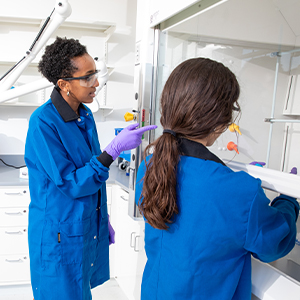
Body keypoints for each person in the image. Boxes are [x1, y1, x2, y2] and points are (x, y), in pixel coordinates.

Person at [135, 57, 299, 300]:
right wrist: (288, 200)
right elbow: (273, 243)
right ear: (220, 121)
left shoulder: (150, 165)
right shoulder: (239, 191)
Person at [24, 36, 156, 300]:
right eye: (87, 77)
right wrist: (113, 150)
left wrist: (100, 219)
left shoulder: (84, 115)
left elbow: (91, 174)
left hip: (82, 225)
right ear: (64, 85)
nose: (96, 83)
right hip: (59, 233)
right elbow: (72, 183)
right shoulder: (43, 123)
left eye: (95, 74)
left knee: (81, 292)